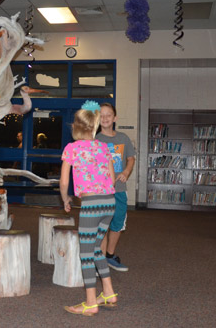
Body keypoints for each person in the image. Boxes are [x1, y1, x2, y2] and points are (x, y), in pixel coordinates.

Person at [60, 100, 118, 316]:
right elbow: (112, 177)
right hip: (109, 202)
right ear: (94, 127)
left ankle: (91, 302)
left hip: (91, 205)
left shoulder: (72, 149)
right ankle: (109, 292)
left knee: (85, 254)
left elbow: (64, 181)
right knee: (96, 248)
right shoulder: (104, 147)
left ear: (75, 127)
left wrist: (65, 198)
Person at [95, 102, 136, 272]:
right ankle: (100, 261)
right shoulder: (95, 139)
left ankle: (110, 256)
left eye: (108, 115)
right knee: (101, 225)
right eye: (102, 115)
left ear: (115, 118)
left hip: (119, 190)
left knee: (117, 223)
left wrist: (126, 172)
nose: (105, 118)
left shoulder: (123, 138)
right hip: (101, 192)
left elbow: (131, 158)